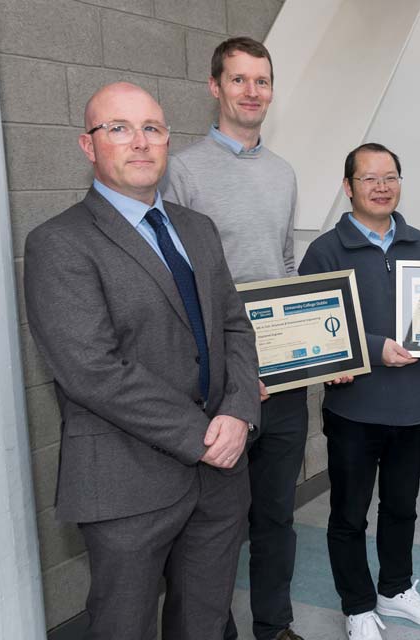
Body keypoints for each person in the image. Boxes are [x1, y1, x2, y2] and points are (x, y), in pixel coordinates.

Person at [23, 82, 259, 639]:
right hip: (126, 481)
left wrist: (241, 409)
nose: (139, 143)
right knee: (123, 625)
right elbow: (92, 370)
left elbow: (234, 327)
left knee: (203, 622)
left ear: (168, 140)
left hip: (222, 476)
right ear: (88, 145)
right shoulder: (58, 243)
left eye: (152, 128)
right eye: (119, 129)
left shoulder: (196, 229)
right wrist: (206, 435)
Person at [159, 36, 307, 640]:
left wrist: (307, 354)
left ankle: (274, 626)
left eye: (262, 81)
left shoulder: (284, 173)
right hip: (223, 387)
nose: (252, 92)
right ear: (215, 87)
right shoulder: (181, 171)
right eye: (239, 80)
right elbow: (174, 286)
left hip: (286, 378)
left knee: (277, 515)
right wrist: (240, 381)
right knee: (215, 527)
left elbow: (287, 267)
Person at [298, 143, 420, 640]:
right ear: (348, 187)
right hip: (355, 411)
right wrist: (371, 349)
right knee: (348, 512)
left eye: (390, 177)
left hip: (415, 406)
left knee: (402, 506)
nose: (382, 187)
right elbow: (311, 326)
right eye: (369, 179)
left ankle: (395, 589)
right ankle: (358, 604)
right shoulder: (325, 250)